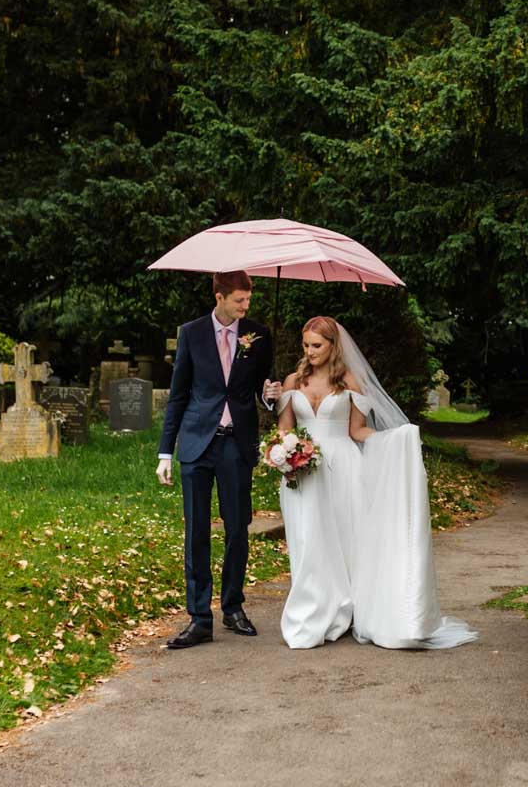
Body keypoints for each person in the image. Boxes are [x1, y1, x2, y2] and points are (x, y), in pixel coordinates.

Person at [275, 316, 478, 651]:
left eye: (317, 346)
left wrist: (395, 439)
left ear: (333, 346)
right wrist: (282, 450)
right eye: (306, 345)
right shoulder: (293, 381)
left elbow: (358, 431)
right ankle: (312, 611)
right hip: (302, 470)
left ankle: (345, 609)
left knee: (343, 539)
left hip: (342, 467)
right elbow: (284, 428)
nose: (309, 352)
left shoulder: (349, 382)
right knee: (307, 540)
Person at [156, 271, 283, 649]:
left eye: (248, 301)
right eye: (239, 301)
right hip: (196, 444)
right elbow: (178, 395)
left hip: (236, 444)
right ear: (220, 297)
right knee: (196, 531)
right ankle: (199, 618)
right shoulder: (191, 333)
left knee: (237, 529)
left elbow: (264, 390)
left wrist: (271, 395)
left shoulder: (258, 335)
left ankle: (233, 607)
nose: (246, 307)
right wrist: (166, 451)